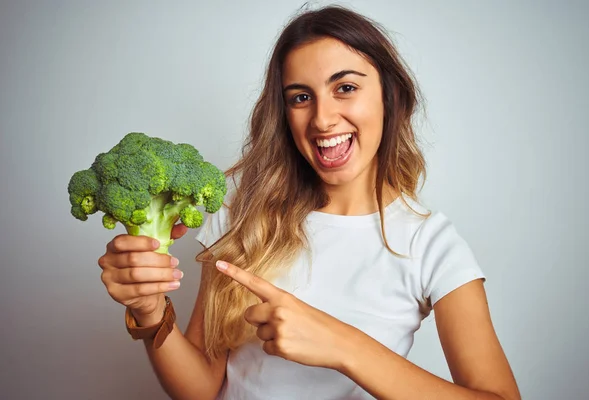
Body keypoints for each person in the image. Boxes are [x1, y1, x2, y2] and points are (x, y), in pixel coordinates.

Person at [97, 5, 521, 400]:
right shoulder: (240, 215)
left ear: (389, 96)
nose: (322, 118)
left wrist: (344, 346)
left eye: (346, 87)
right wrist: (151, 312)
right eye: (301, 97)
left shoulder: (432, 246)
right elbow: (201, 388)